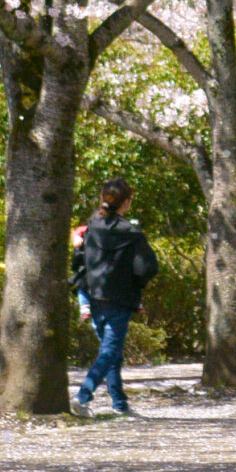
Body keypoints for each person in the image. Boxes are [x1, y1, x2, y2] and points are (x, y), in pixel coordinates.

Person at [71, 177, 160, 416]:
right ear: (127, 203)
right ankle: (82, 397)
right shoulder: (132, 234)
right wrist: (136, 285)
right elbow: (148, 267)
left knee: (111, 352)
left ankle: (120, 404)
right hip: (120, 298)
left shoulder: (91, 228)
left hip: (93, 296)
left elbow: (78, 261)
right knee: (110, 351)